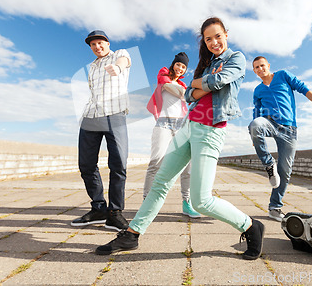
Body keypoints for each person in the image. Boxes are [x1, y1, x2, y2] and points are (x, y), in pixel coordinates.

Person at [95, 17, 265, 260]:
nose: (214, 42)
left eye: (218, 36)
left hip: (210, 128)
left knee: (201, 200)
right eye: (208, 39)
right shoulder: (207, 65)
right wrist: (200, 85)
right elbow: (189, 95)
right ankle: (132, 234)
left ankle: (250, 226)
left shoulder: (236, 58)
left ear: (226, 34)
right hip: (188, 125)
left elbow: (217, 82)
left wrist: (198, 84)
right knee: (161, 181)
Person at [249, 56, 312, 222]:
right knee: (255, 124)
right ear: (254, 71)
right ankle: (268, 164)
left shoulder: (283, 75)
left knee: (285, 171)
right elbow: (256, 113)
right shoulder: (258, 90)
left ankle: (274, 207)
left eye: (262, 66)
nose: (260, 69)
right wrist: (254, 134)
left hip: (289, 130)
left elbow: (304, 89)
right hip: (269, 123)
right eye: (256, 67)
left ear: (268, 66)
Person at [71, 30, 132, 232]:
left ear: (107, 43)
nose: (97, 47)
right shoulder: (91, 67)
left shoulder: (119, 55)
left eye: (100, 43)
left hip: (114, 114)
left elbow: (124, 61)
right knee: (86, 164)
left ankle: (115, 213)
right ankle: (98, 208)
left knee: (118, 164)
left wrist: (117, 67)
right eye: (93, 45)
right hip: (91, 115)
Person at [145, 52, 201, 218]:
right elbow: (182, 93)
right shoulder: (163, 75)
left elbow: (190, 99)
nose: (180, 69)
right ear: (173, 64)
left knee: (188, 167)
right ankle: (147, 203)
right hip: (163, 124)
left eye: (183, 67)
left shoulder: (183, 85)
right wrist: (189, 92)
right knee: (156, 163)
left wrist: (189, 92)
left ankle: (187, 203)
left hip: (181, 126)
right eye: (178, 65)